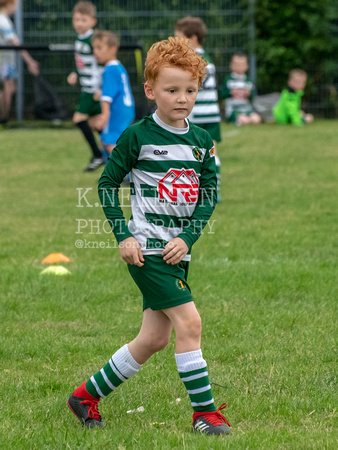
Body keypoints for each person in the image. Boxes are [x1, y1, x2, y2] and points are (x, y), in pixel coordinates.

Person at [67, 37, 231, 436]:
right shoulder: (137, 136)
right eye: (172, 90)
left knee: (154, 338)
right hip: (147, 250)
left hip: (178, 251)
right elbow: (107, 184)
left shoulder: (201, 142)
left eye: (190, 90)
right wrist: (124, 236)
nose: (182, 99)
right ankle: (204, 415)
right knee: (190, 324)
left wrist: (188, 238)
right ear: (151, 90)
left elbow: (210, 196)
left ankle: (85, 396)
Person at [174, 16, 222, 202]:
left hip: (197, 114)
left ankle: (199, 190)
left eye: (180, 38)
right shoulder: (206, 58)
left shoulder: (194, 60)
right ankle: (212, 190)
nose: (177, 42)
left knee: (190, 152)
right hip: (212, 114)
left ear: (193, 38)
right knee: (210, 151)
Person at [67, 1, 104, 172]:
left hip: (92, 90)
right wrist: (75, 72)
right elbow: (82, 62)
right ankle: (110, 155)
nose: (79, 23)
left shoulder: (92, 40)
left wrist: (101, 88)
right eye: (76, 19)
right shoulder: (79, 39)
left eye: (83, 20)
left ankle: (98, 155)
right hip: (87, 87)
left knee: (79, 119)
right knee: (98, 124)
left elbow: (101, 64)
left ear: (92, 22)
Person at [92, 30, 135, 160]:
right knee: (111, 141)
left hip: (116, 111)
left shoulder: (109, 69)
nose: (95, 51)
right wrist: (101, 92)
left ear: (113, 49)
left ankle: (127, 174)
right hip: (126, 110)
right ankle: (114, 173)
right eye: (94, 48)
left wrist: (105, 115)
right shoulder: (118, 67)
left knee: (109, 142)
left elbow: (107, 97)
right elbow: (116, 90)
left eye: (99, 48)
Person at [0, 0, 39, 123]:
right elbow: (15, 43)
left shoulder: (4, 19)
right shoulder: (3, 21)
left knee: (11, 88)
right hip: (4, 61)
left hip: (6, 60)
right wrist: (30, 61)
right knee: (8, 88)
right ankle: (3, 119)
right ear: (9, 4)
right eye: (15, 6)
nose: (16, 9)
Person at [220, 53, 261, 125]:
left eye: (242, 64)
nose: (239, 66)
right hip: (233, 110)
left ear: (247, 66)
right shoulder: (228, 80)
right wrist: (230, 92)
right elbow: (222, 94)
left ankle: (246, 119)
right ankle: (238, 120)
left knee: (256, 119)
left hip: (247, 109)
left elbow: (252, 97)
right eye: (237, 64)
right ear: (231, 65)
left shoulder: (248, 81)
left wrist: (249, 94)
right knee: (243, 120)